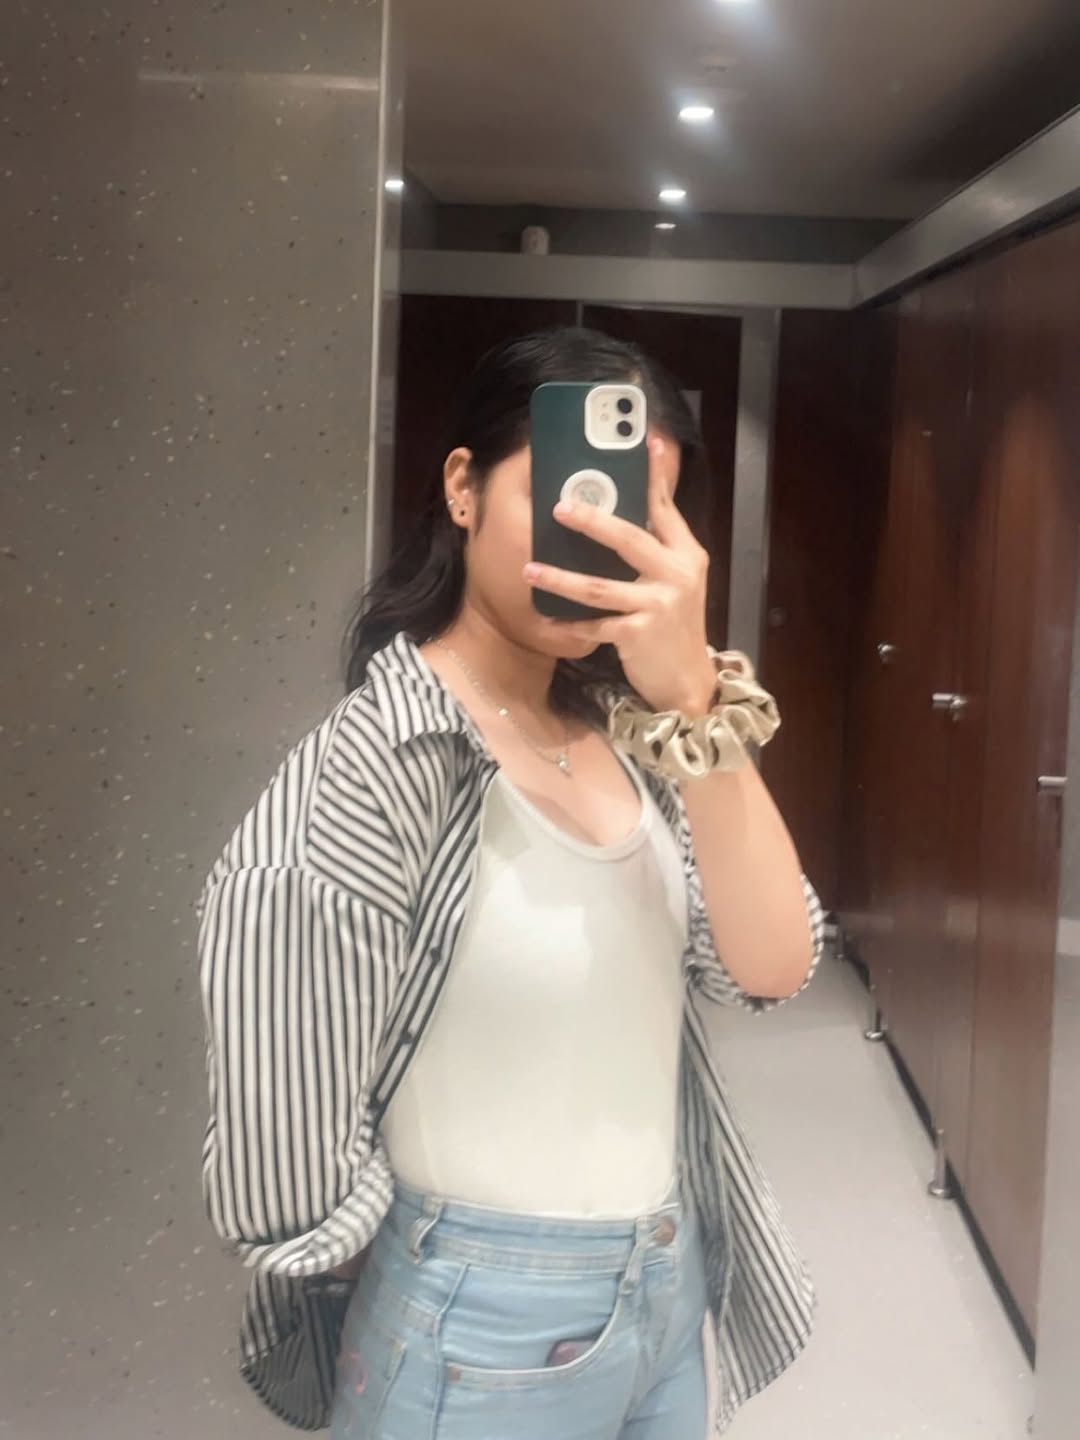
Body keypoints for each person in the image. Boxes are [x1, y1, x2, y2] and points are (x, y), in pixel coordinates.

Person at [196, 327, 824, 1440]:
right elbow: (278, 1166)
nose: (603, 534)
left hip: (668, 1288)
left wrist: (694, 706)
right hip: (473, 1319)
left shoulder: (636, 739)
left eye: (640, 511)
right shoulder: (380, 764)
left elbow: (772, 966)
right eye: (572, 493)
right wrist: (427, 1273)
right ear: (463, 488)